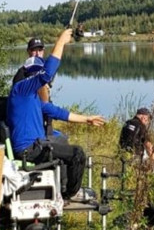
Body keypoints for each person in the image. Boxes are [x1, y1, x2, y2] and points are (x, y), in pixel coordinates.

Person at [7, 27, 105, 200]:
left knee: (62, 140)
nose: (41, 77)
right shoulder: (21, 89)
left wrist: (87, 119)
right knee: (77, 154)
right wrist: (61, 42)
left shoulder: (34, 99)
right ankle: (69, 195)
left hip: (37, 144)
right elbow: (47, 74)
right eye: (37, 73)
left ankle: (62, 187)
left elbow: (59, 113)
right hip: (28, 150)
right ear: (31, 75)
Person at [12, 37, 54, 133]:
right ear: (28, 52)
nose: (37, 53)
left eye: (40, 50)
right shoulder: (21, 73)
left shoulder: (45, 70)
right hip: (29, 116)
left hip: (46, 115)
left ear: (43, 51)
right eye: (34, 50)